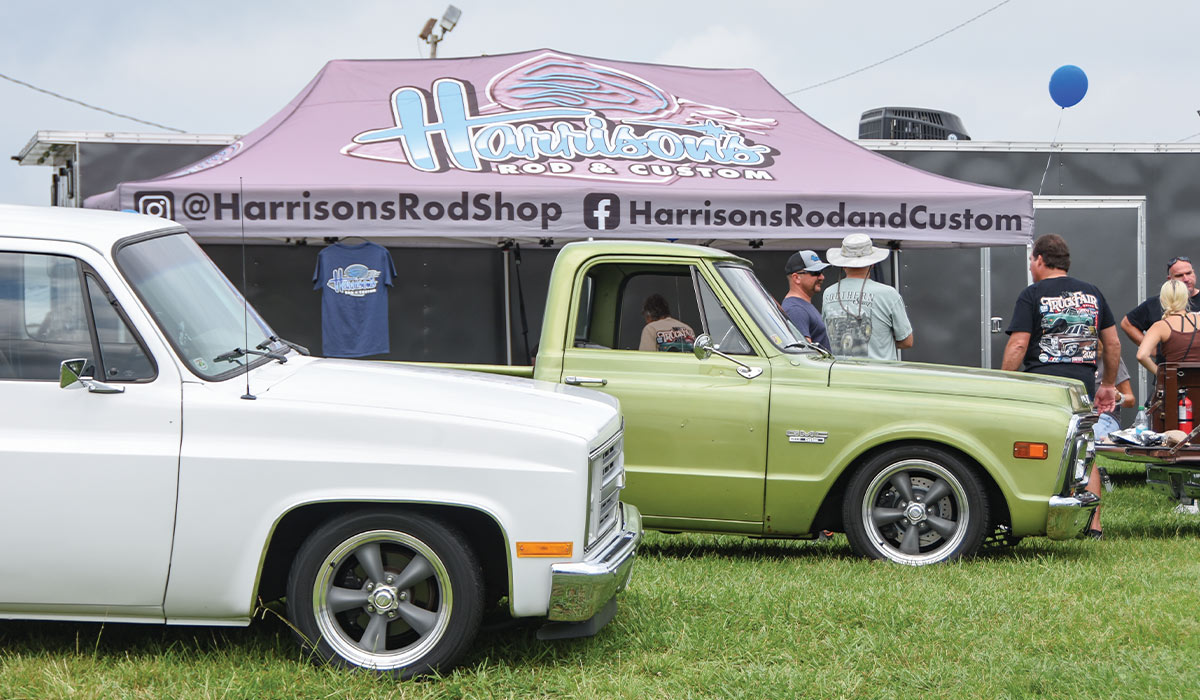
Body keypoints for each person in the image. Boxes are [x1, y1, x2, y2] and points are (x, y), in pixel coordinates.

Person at [1001, 233, 1119, 539]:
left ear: (1039, 259)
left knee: (1033, 446)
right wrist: (1107, 384)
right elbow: (1113, 343)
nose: (1031, 266)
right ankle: (1094, 526)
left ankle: (1028, 514)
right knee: (1084, 448)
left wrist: (1004, 382)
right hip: (1081, 383)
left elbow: (1018, 345)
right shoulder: (1093, 294)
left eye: (1031, 260)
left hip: (1043, 383)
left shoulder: (1033, 293)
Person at [821, 233, 913, 360]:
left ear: (842, 264)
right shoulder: (889, 294)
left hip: (840, 375)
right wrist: (880, 341)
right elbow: (907, 341)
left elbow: (828, 336)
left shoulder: (828, 293)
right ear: (873, 263)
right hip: (878, 376)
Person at [1120, 255, 1200, 348]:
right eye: (1179, 275)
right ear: (1170, 280)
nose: (1186, 279)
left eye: (1189, 273)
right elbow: (1127, 324)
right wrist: (1154, 350)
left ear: (1194, 273)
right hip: (1169, 362)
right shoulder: (1155, 303)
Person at [1135, 279, 1200, 375]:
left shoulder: (1160, 326)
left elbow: (1141, 355)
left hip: (1173, 386)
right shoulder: (1198, 319)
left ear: (1162, 300)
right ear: (1186, 298)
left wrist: (1161, 375)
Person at [781, 249, 831, 351]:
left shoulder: (801, 305)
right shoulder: (795, 309)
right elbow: (805, 353)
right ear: (796, 278)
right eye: (816, 273)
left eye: (821, 272)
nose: (822, 277)